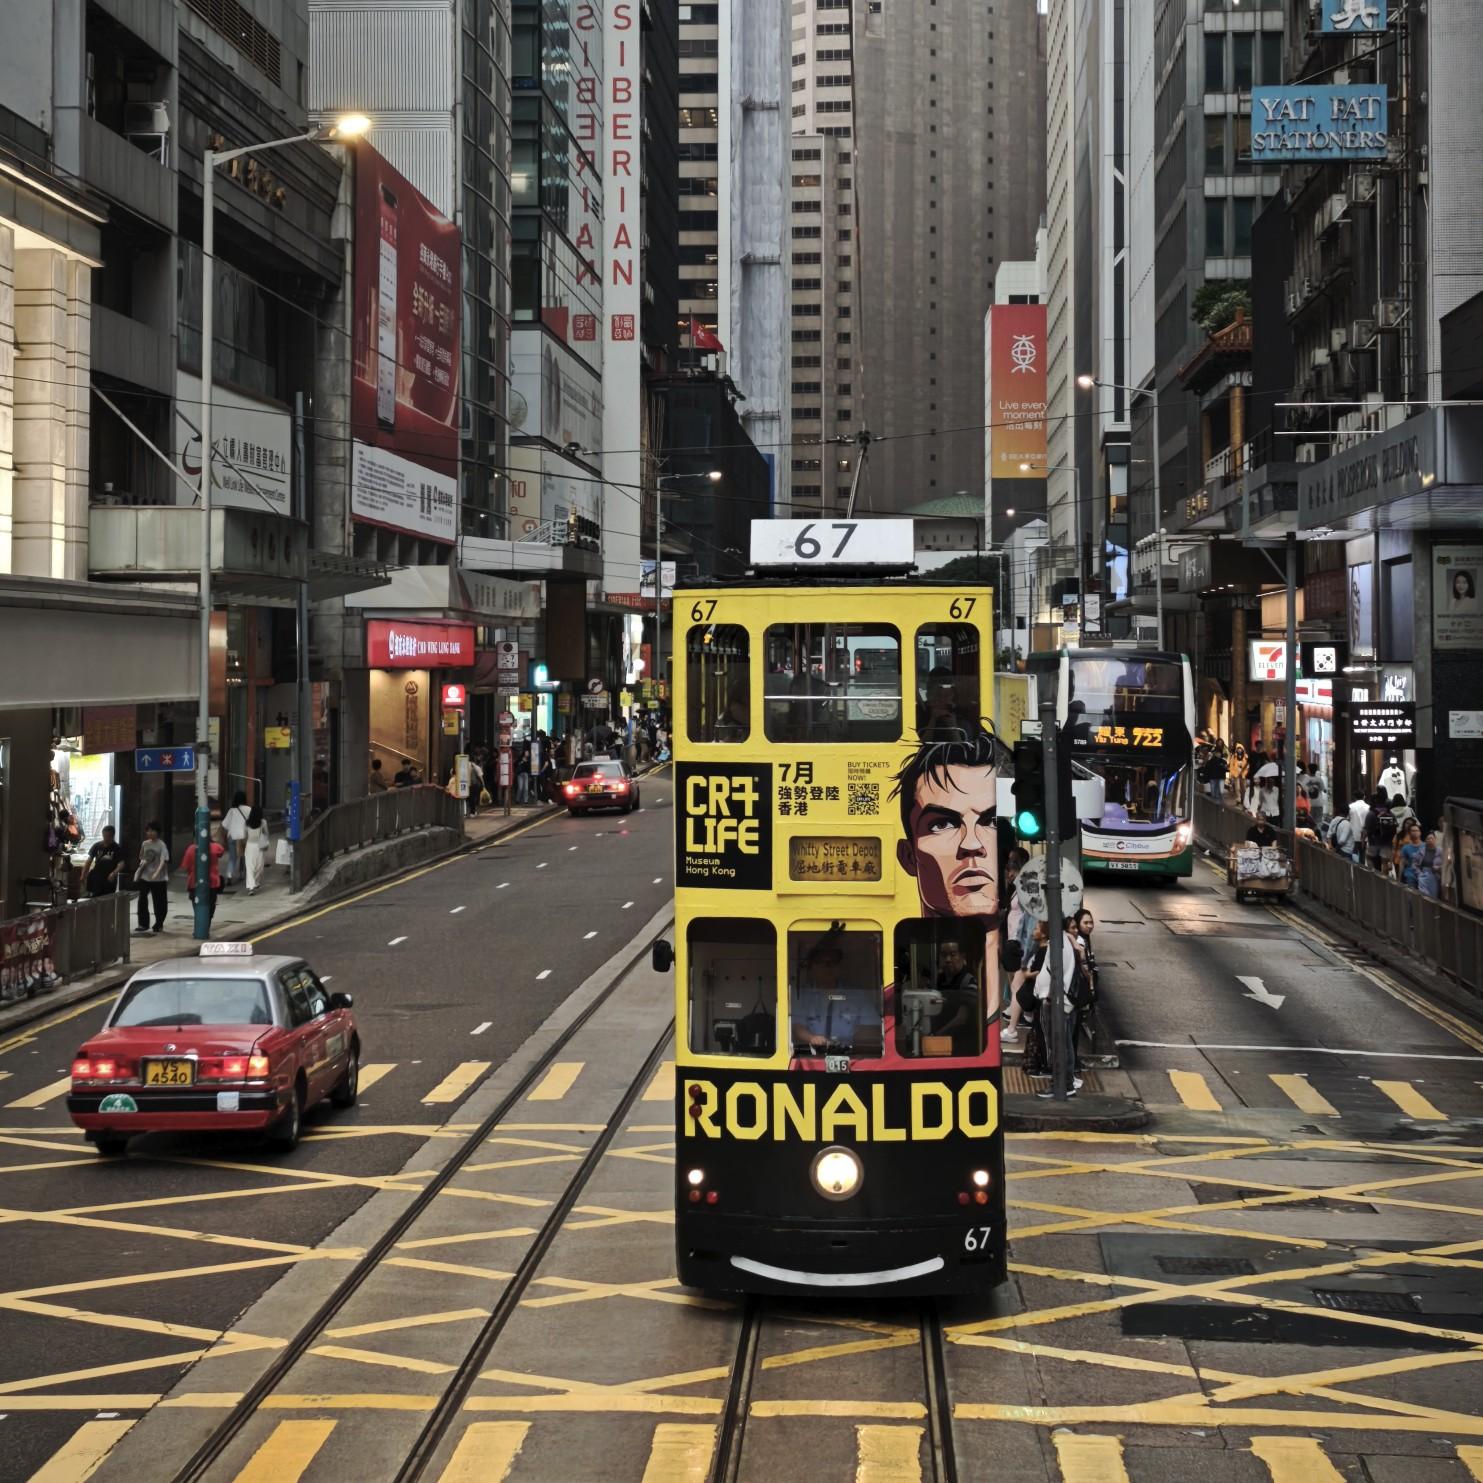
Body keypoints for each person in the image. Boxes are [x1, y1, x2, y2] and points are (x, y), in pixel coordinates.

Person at [790, 940, 880, 1052]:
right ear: (811, 968)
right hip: (811, 1056)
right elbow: (797, 1026)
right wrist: (812, 1038)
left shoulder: (858, 995)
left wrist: (857, 1042)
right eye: (821, 962)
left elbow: (872, 1027)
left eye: (833, 962)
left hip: (851, 1055)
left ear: (840, 967)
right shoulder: (802, 996)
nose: (827, 966)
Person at [1032, 916, 1085, 1096]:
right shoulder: (1062, 940)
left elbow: (1057, 973)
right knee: (1063, 1044)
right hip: (1061, 1001)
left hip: (1057, 1002)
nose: (1038, 925)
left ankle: (1061, 1084)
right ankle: (1065, 1083)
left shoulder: (1058, 944)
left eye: (1041, 922)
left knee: (1058, 1045)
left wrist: (1049, 997)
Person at [931, 939, 980, 1052]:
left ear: (963, 957)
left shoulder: (969, 981)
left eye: (953, 955)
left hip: (962, 1045)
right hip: (940, 1045)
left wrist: (937, 1035)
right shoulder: (937, 981)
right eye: (944, 955)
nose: (948, 959)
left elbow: (961, 1018)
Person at [133, 821, 170, 934]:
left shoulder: (161, 845)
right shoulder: (145, 843)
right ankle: (143, 924)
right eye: (148, 831)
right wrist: (143, 863)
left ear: (158, 832)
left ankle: (159, 923)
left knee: (159, 901)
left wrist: (156, 873)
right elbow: (141, 856)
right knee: (142, 899)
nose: (150, 833)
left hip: (159, 878)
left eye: (152, 830)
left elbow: (163, 861)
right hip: (145, 876)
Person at [180, 833, 226, 924]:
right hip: (212, 882)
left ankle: (200, 923)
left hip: (194, 882)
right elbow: (221, 851)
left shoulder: (191, 849)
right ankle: (207, 923)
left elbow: (185, 867)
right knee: (210, 905)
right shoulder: (215, 847)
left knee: (197, 905)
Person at [85, 825, 126, 898]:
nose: (106, 838)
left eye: (108, 836)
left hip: (109, 878)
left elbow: (121, 864)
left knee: (108, 900)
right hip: (97, 877)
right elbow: (89, 860)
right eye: (104, 836)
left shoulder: (117, 848)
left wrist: (114, 873)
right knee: (95, 899)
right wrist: (83, 874)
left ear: (113, 836)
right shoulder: (96, 846)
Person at [1363, 790, 1398, 874]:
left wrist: (1364, 841)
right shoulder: (1390, 814)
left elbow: (1367, 830)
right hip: (1387, 844)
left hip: (1373, 843)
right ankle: (1384, 878)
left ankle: (1373, 877)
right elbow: (1395, 828)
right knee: (1384, 863)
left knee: (1370, 859)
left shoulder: (1371, 814)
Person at [222, 791, 250, 886]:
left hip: (232, 836)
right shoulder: (248, 809)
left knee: (232, 858)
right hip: (243, 837)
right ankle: (242, 874)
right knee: (243, 856)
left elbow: (225, 825)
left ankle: (229, 875)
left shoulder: (232, 810)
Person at [243, 806, 269, 894]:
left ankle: (253, 884)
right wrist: (266, 842)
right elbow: (266, 834)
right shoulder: (263, 822)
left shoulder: (247, 823)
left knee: (251, 867)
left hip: (250, 846)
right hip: (258, 846)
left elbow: (245, 835)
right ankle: (252, 885)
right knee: (259, 866)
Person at [1396, 818, 1425, 888]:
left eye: (1416, 830)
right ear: (1409, 833)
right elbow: (1402, 863)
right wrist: (1399, 878)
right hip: (1410, 874)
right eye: (1412, 831)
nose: (1415, 832)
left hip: (1424, 875)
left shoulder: (1426, 846)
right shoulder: (1406, 848)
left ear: (1420, 832)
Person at [1418, 831, 1443, 898]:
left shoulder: (1440, 851)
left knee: (1433, 896)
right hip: (1424, 875)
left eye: (1432, 838)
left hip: (1435, 876)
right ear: (1425, 840)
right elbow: (1415, 864)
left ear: (1435, 839)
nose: (1430, 840)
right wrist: (1419, 874)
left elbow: (1445, 864)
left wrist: (1439, 868)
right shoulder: (1421, 850)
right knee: (1424, 895)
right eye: (1428, 839)